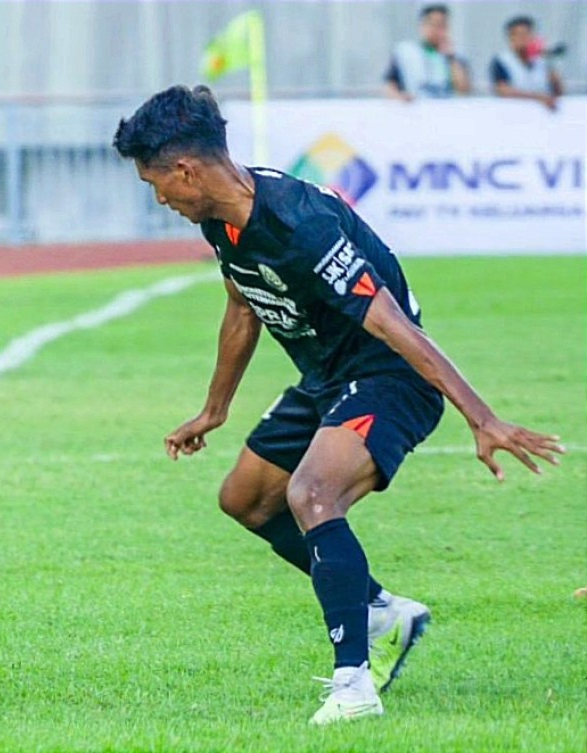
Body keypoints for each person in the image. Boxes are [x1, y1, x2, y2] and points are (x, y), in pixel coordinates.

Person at [112, 85, 563, 725]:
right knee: (246, 499)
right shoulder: (222, 218)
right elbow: (243, 303)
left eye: (155, 184)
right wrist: (214, 409)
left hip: (389, 378)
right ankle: (381, 611)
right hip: (327, 374)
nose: (159, 199)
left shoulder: (301, 226)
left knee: (312, 495)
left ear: (185, 170)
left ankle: (354, 685)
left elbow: (394, 326)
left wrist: (482, 417)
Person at [384, 4, 471, 101]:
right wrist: (400, 98)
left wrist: (451, 58)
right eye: (434, 25)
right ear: (422, 26)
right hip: (415, 107)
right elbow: (389, 85)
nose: (438, 30)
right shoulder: (406, 53)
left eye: (442, 25)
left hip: (446, 108)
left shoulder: (456, 56)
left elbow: (463, 90)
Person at [489, 16, 564, 111]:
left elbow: (559, 91)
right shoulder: (502, 61)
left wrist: (549, 61)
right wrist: (537, 98)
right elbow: (503, 91)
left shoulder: (542, 61)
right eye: (519, 35)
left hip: (543, 114)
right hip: (513, 112)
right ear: (510, 38)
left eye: (527, 34)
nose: (523, 39)